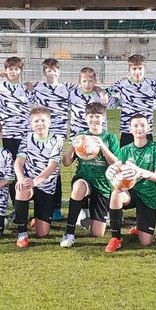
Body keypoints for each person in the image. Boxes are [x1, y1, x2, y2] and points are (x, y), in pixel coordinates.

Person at [59, 102, 119, 248]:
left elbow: (115, 164)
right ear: (86, 118)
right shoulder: (82, 137)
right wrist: (73, 145)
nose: (94, 120)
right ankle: (69, 233)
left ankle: (86, 217)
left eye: (97, 116)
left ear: (103, 118)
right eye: (91, 116)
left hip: (102, 184)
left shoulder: (110, 138)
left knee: (97, 233)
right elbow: (66, 163)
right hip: (84, 179)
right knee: (78, 187)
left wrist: (102, 147)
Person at [105, 114, 156, 253]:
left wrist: (141, 172)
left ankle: (140, 227)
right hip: (130, 191)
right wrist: (111, 172)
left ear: (148, 128)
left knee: (145, 242)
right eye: (136, 126)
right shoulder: (125, 150)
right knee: (116, 194)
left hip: (148, 195)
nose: (139, 129)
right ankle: (116, 238)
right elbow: (117, 171)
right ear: (130, 129)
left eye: (143, 125)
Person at [12, 107, 64, 248]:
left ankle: (36, 219)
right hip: (29, 183)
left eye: (43, 120)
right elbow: (19, 161)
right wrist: (21, 178)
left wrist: (35, 181)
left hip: (45, 186)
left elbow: (52, 166)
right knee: (21, 188)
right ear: (31, 124)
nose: (39, 124)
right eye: (36, 121)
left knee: (42, 233)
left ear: (50, 122)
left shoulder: (57, 139)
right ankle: (22, 234)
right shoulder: (27, 138)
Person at [30, 57, 73, 221]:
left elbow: (84, 90)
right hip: (40, 135)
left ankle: (55, 207)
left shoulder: (66, 88)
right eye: (48, 70)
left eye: (54, 70)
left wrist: (99, 89)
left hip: (58, 135)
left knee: (54, 170)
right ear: (44, 72)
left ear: (59, 71)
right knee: (37, 168)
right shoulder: (37, 88)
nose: (51, 73)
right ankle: (37, 204)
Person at [107, 54, 156, 146]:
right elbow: (105, 94)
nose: (137, 72)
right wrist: (117, 102)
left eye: (140, 68)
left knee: (146, 159)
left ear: (145, 69)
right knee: (126, 159)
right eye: (134, 69)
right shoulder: (123, 83)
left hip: (145, 130)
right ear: (129, 69)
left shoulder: (152, 84)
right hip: (127, 130)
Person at [0, 56, 33, 158]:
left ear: (20, 71)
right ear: (5, 70)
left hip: (23, 130)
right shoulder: (0, 86)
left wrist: (31, 87)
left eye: (16, 69)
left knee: (23, 160)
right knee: (10, 159)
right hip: (8, 130)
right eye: (10, 69)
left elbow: (33, 100)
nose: (13, 72)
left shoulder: (25, 87)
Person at [69, 66, 109, 135]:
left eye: (90, 81)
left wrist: (102, 92)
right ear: (79, 81)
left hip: (98, 134)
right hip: (77, 133)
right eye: (84, 81)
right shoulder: (72, 94)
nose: (87, 84)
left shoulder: (102, 96)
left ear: (95, 81)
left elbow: (121, 104)